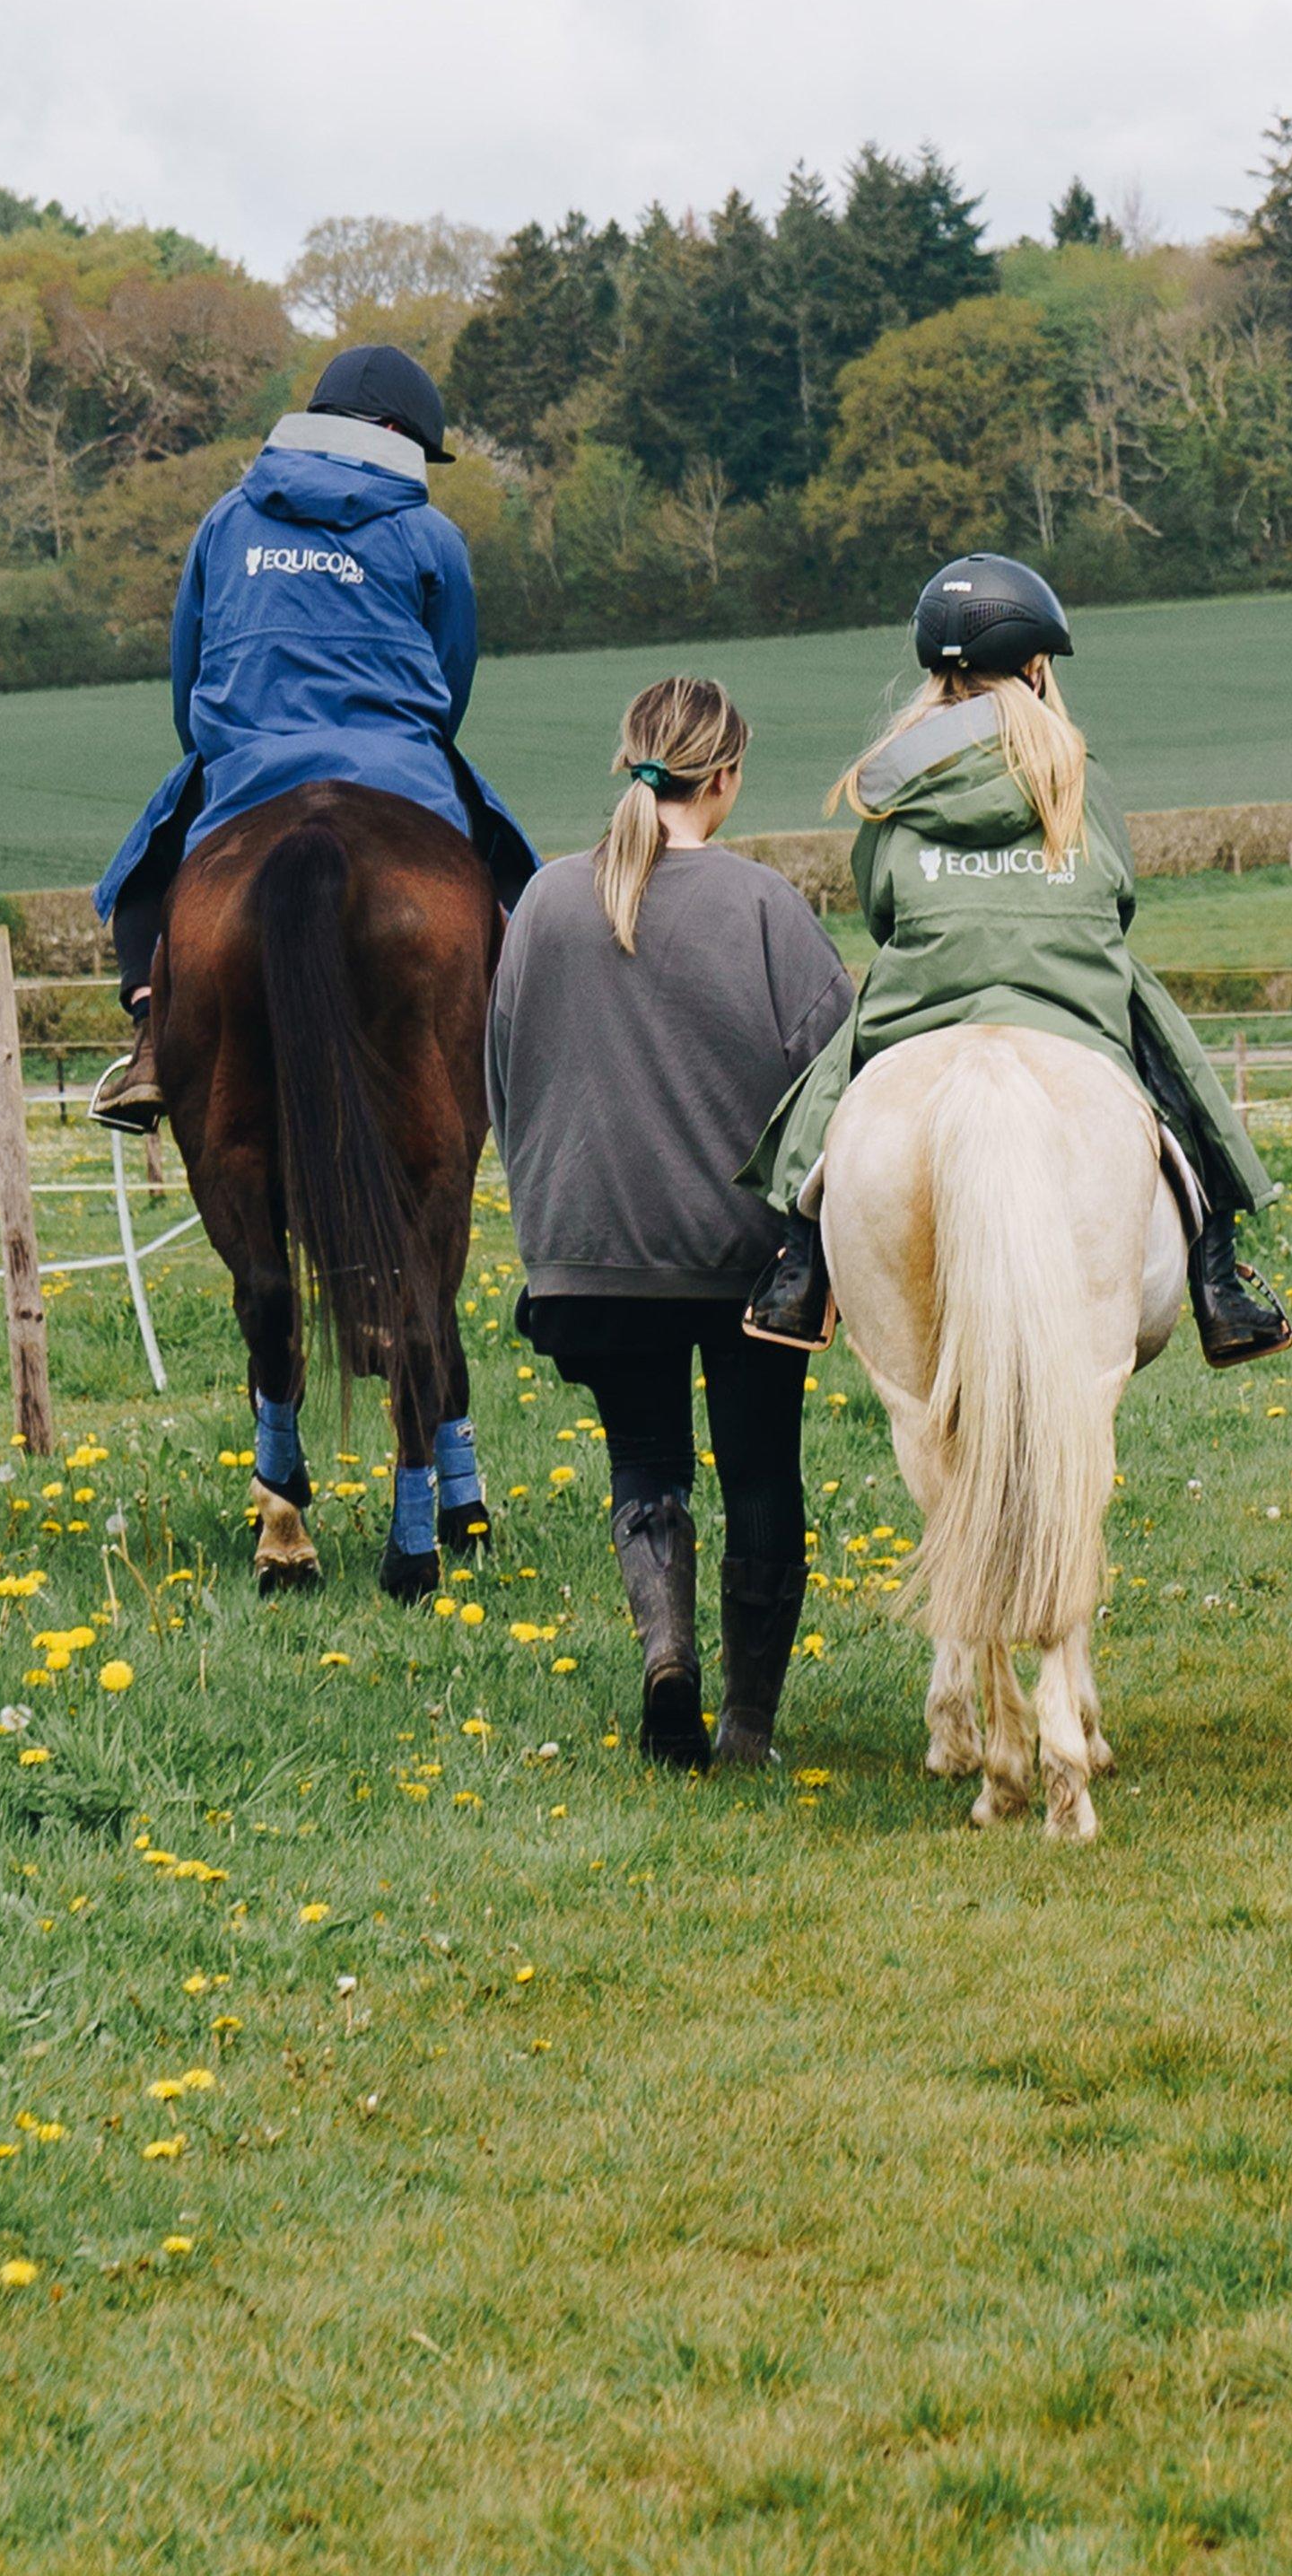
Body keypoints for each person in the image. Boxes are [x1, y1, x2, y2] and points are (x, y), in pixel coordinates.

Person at [738, 553, 1291, 1367]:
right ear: (1036, 669)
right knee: (1178, 1082)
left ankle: (800, 1266)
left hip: (923, 994)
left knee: (835, 1091)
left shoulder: (890, 780)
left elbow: (878, 907)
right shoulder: (1076, 771)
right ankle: (1219, 1283)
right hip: (1069, 993)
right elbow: (1120, 895)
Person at [488, 678, 854, 1772]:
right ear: (727, 775)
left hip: (588, 1254)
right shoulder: (763, 907)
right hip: (743, 1263)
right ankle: (745, 1728)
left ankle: (667, 1657)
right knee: (759, 1472)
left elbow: (506, 1079)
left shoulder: (545, 903)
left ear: (630, 761)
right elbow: (837, 1083)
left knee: (645, 1462)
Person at [91, 342, 536, 1135]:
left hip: (249, 764)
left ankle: (152, 1040)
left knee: (140, 883)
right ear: (397, 431)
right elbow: (451, 677)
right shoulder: (431, 536)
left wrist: (224, 747)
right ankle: (535, 1050)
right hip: (399, 767)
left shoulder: (225, 523)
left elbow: (188, 672)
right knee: (515, 881)